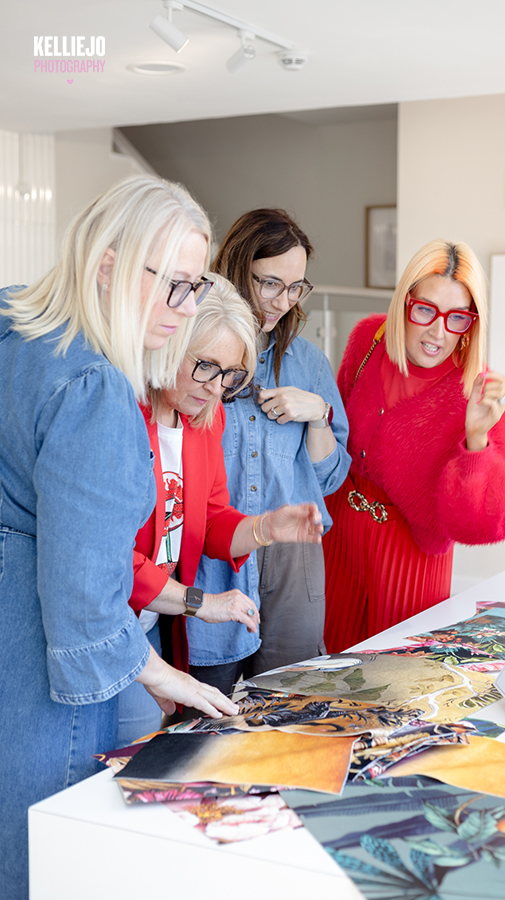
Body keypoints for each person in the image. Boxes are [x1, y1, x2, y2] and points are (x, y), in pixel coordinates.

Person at [0, 175, 240, 900]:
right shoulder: (94, 388)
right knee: (39, 858)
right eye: (170, 285)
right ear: (107, 265)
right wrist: (167, 677)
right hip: (41, 673)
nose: (186, 311)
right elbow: (85, 600)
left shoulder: (18, 329)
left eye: (194, 288)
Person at [118, 275, 324, 743]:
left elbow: (211, 523)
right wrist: (203, 603)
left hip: (148, 623)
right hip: (110, 619)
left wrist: (265, 527)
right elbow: (112, 561)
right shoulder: (125, 411)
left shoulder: (204, 419)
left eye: (232, 376)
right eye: (205, 366)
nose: (216, 388)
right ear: (171, 344)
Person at [323, 239, 505, 652]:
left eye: (457, 318)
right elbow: (335, 439)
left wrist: (477, 439)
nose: (437, 332)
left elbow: (483, 526)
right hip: (338, 540)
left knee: (394, 685)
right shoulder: (368, 341)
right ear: (404, 303)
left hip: (409, 561)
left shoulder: (476, 389)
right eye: (426, 310)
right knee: (322, 679)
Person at [190, 209, 351, 692]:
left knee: (292, 698)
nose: (285, 301)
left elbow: (330, 479)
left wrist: (319, 413)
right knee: (205, 703)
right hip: (213, 549)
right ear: (239, 268)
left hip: (293, 553)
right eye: (270, 284)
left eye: (297, 287)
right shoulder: (194, 353)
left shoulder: (308, 361)